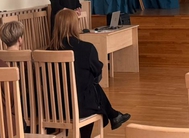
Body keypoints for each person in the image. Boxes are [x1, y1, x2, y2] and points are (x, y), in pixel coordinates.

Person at [49, 9, 130, 137]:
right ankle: (111, 117)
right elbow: (97, 74)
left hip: (53, 107)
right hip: (80, 107)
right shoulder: (86, 48)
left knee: (89, 86)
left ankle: (114, 115)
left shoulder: (47, 51)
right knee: (91, 87)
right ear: (75, 25)